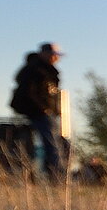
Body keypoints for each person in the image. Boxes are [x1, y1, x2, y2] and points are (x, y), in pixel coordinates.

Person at [10, 42, 68, 180]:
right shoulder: (34, 70)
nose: (56, 58)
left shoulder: (47, 71)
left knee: (61, 144)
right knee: (51, 144)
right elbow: (29, 92)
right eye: (54, 55)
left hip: (48, 113)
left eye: (57, 55)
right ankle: (57, 176)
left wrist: (54, 110)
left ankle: (56, 174)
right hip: (38, 113)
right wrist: (43, 109)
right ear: (45, 54)